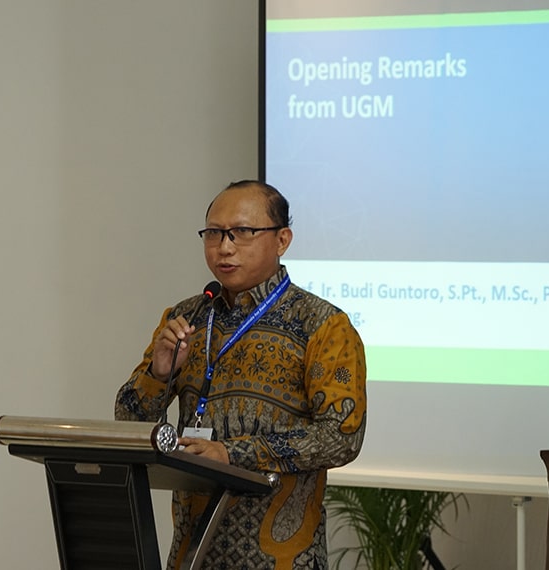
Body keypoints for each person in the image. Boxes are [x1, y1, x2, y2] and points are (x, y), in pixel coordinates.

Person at [115, 180, 367, 570]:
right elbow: (130, 423)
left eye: (242, 233)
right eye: (214, 233)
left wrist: (232, 455)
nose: (224, 247)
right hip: (192, 555)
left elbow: (341, 437)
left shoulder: (322, 325)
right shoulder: (188, 318)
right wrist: (159, 371)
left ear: (282, 240)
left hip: (281, 560)